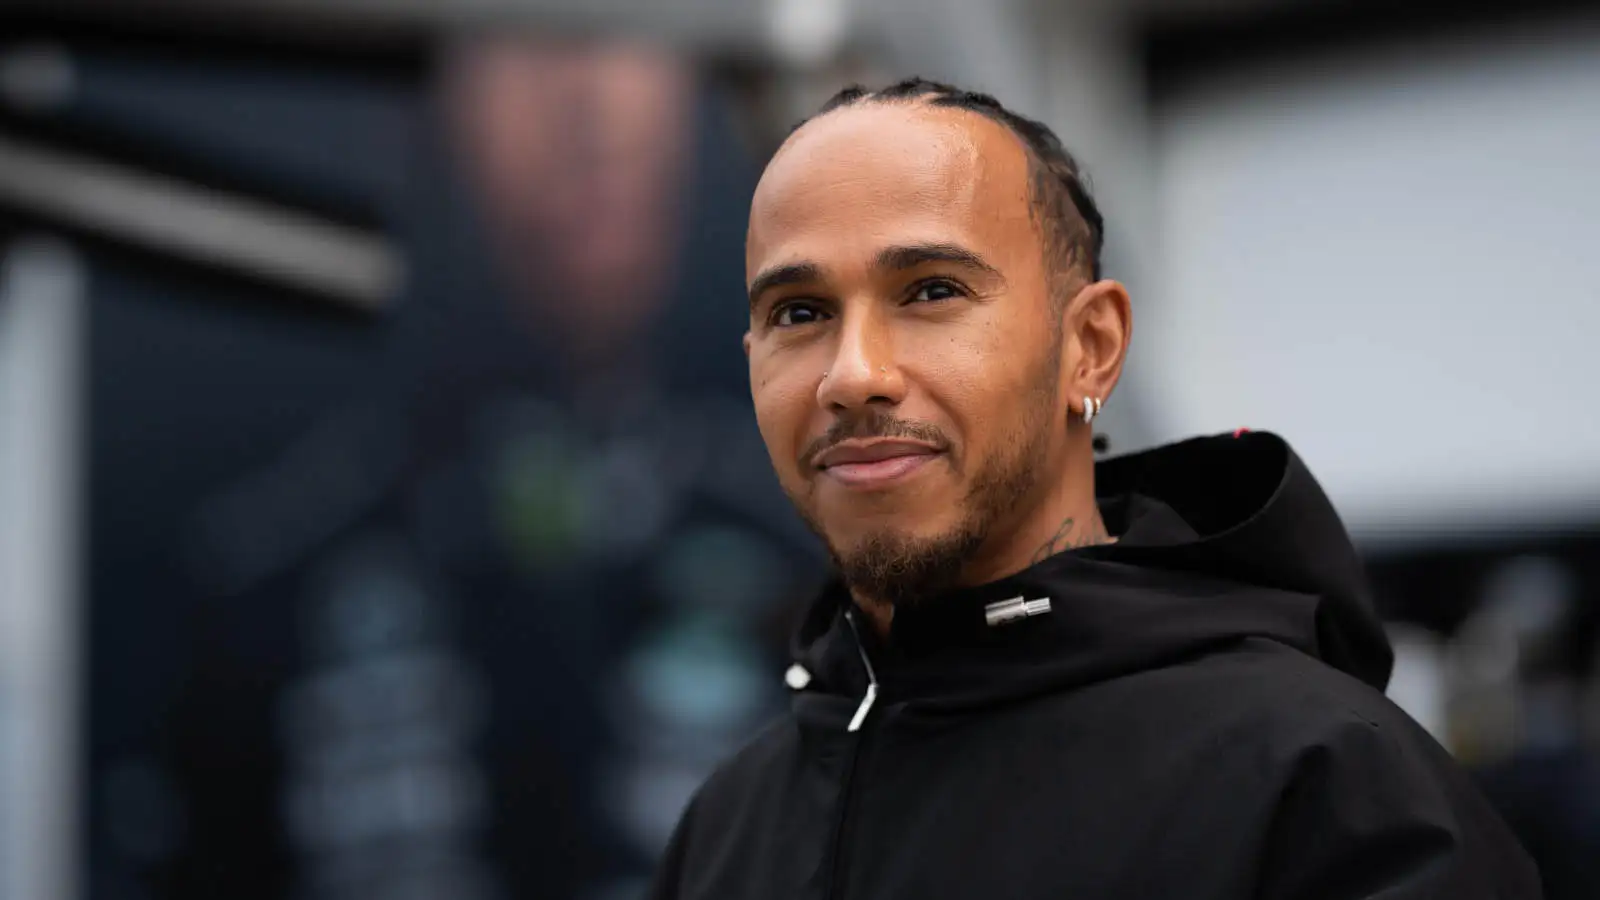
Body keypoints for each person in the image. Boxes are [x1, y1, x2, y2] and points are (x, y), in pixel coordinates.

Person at [648, 78, 1541, 900]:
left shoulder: (1327, 786)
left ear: (1093, 346)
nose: (853, 375)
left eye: (930, 291)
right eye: (798, 313)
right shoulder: (725, 827)